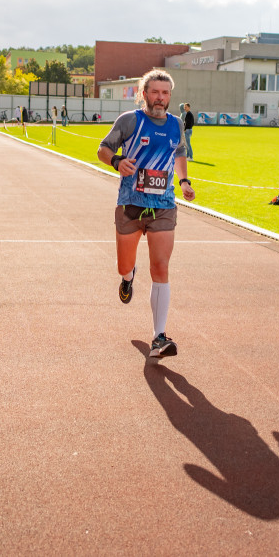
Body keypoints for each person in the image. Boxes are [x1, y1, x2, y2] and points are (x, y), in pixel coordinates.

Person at [97, 70, 195, 358]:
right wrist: (116, 161)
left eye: (165, 93)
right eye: (155, 92)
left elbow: (179, 153)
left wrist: (184, 181)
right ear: (144, 93)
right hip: (130, 205)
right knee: (124, 265)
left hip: (164, 205)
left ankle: (159, 337)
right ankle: (128, 278)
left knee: (161, 268)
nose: (160, 98)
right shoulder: (130, 121)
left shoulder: (176, 125)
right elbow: (103, 148)